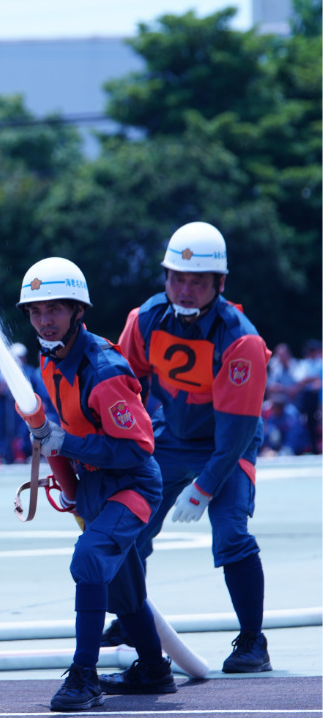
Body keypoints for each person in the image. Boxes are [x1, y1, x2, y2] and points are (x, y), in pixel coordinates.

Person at [113, 222, 273, 673]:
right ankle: (132, 620)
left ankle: (252, 642)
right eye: (176, 278)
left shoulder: (241, 340)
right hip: (168, 439)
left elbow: (238, 431)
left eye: (197, 281)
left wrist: (204, 487)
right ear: (165, 278)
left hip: (226, 444)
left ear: (219, 284)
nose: (184, 290)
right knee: (128, 529)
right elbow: (125, 388)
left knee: (231, 533)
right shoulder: (143, 319)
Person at [17, 256, 172, 711]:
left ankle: (84, 676)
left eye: (55, 310)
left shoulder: (104, 370)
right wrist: (61, 460)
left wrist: (67, 442)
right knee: (124, 590)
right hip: (94, 486)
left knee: (88, 559)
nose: (45, 321)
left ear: (77, 311)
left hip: (133, 485)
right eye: (36, 311)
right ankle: (154, 669)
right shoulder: (51, 362)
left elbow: (137, 449)